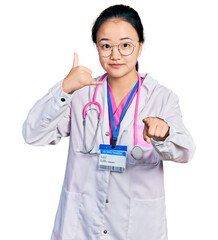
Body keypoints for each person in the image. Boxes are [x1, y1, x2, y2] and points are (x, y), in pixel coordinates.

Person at [23, 4, 195, 240]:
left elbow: (185, 152)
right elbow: (33, 134)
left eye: (125, 45)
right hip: (80, 225)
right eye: (106, 46)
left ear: (140, 47)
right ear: (97, 48)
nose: (115, 55)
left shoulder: (161, 98)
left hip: (137, 227)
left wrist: (164, 134)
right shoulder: (80, 95)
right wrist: (64, 89)